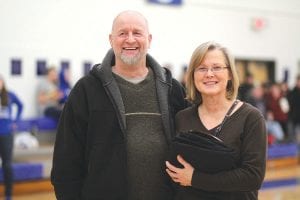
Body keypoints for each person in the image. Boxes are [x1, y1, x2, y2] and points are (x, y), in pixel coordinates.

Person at [51, 10, 187, 200]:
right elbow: (66, 158)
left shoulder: (173, 90)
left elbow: (189, 146)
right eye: (122, 33)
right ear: (111, 39)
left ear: (149, 39)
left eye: (137, 33)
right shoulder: (86, 90)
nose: (130, 40)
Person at [165, 41, 267, 200]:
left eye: (217, 67)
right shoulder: (182, 117)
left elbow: (252, 177)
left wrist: (195, 179)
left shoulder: (251, 117)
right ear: (193, 75)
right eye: (202, 68)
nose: (209, 74)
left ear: (231, 74)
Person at [0, 74, 23, 200]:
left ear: (3, 83)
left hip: (6, 135)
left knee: (7, 164)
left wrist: (16, 121)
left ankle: (8, 194)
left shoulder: (9, 95)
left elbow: (21, 105)